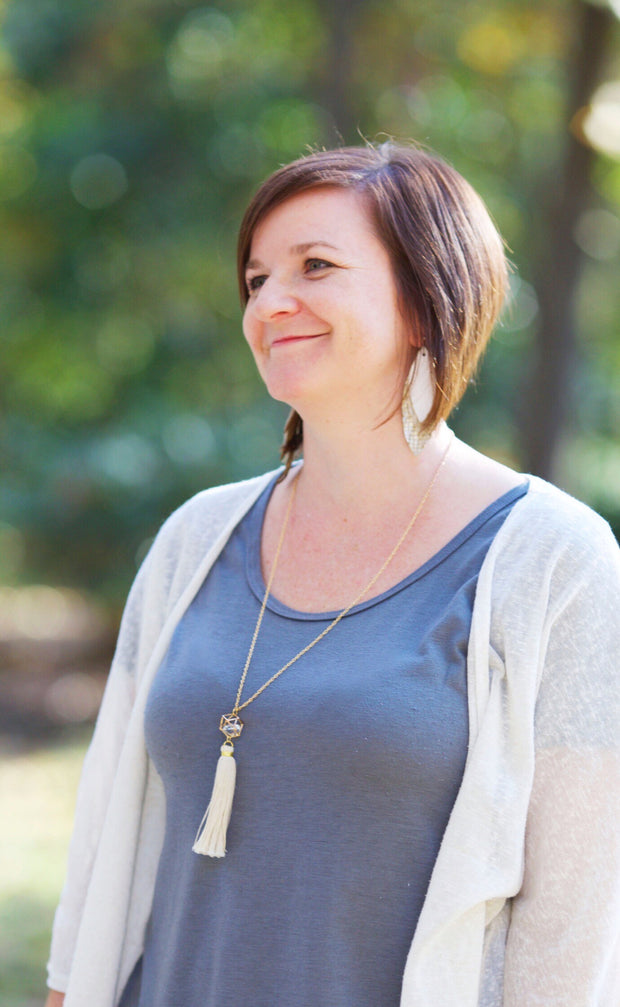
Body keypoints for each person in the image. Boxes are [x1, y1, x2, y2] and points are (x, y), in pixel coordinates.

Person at [45, 143, 620, 1007]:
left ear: (428, 299)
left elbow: (574, 922)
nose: (271, 303)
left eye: (315, 266)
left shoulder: (555, 559)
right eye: (255, 278)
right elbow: (104, 850)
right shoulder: (194, 538)